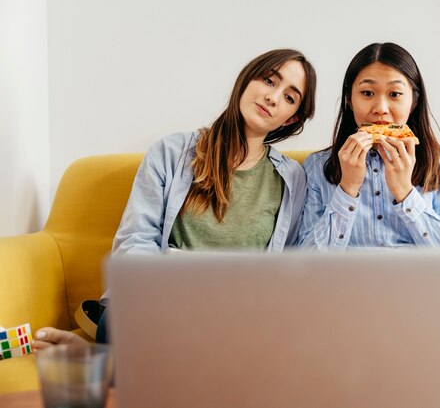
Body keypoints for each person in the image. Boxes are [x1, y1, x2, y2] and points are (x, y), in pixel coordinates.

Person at [32, 48, 317, 349]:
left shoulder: (292, 179)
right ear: (247, 80)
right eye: (269, 81)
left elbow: (287, 271)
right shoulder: (172, 152)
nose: (274, 97)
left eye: (289, 97)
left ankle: (99, 359)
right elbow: (136, 241)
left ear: (291, 118)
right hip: (159, 305)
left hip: (240, 316)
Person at [297, 42, 440, 407]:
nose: (381, 109)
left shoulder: (439, 165)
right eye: (367, 92)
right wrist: (348, 188)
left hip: (423, 302)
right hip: (346, 304)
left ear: (413, 101)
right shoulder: (317, 168)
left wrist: (405, 192)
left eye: (395, 94)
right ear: (348, 100)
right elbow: (304, 266)